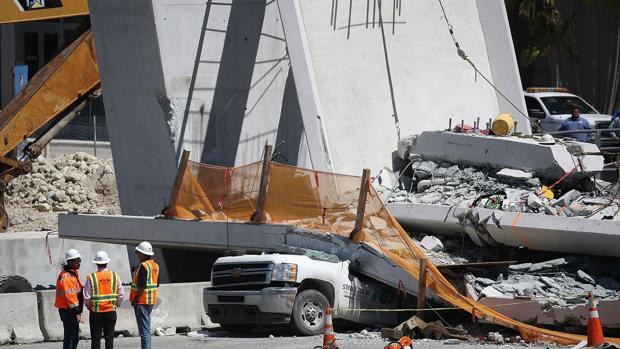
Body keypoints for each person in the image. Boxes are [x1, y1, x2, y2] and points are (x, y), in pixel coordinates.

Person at [84, 251, 123, 349]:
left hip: (96, 313)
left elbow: (87, 296)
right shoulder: (115, 276)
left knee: (96, 338)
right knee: (109, 338)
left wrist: (88, 306)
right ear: (107, 262)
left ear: (96, 263)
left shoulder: (91, 277)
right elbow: (121, 294)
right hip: (110, 312)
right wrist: (117, 304)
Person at [130, 241, 159, 349]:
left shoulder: (143, 266)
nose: (137, 254)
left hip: (141, 302)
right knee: (146, 329)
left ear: (144, 254)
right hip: (150, 301)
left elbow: (141, 287)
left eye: (138, 252)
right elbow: (155, 284)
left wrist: (134, 300)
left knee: (144, 331)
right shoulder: (155, 266)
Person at [55, 249, 84, 349]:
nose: (79, 262)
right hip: (69, 310)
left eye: (79, 260)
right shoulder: (67, 277)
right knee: (71, 337)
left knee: (72, 336)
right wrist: (76, 312)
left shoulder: (71, 273)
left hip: (68, 309)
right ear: (69, 262)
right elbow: (70, 296)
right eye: (77, 260)